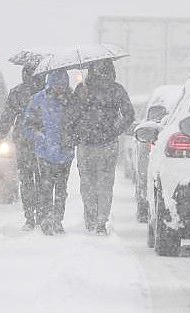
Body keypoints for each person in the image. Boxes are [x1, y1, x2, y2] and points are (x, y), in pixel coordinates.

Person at [74, 59, 135, 235]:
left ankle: (91, 219)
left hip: (86, 144)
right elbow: (129, 115)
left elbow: (72, 115)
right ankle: (101, 221)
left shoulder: (82, 89)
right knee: (105, 184)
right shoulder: (117, 89)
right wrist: (115, 130)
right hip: (108, 144)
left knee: (87, 184)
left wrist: (78, 132)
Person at [0, 62, 46, 231]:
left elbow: (7, 118)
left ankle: (30, 217)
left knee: (27, 180)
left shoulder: (17, 92)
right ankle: (42, 215)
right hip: (44, 141)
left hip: (23, 141)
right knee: (43, 179)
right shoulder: (46, 92)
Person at [23, 70, 77, 236]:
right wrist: (38, 136)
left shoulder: (73, 100)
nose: (60, 87)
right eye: (57, 84)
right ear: (51, 83)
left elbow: (79, 123)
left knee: (61, 189)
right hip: (45, 152)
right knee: (46, 188)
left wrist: (72, 136)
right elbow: (28, 125)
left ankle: (57, 220)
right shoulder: (39, 100)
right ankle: (46, 218)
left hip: (64, 152)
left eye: (63, 84)